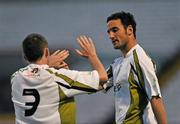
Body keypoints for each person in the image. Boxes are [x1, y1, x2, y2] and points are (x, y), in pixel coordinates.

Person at [11, 33, 108, 124]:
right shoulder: (57, 78)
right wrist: (92, 55)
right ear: (46, 52)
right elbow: (103, 77)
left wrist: (47, 65)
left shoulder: (16, 78)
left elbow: (36, 76)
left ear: (24, 56)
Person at [105, 11, 167, 124]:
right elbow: (100, 83)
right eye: (108, 32)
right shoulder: (117, 63)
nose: (111, 36)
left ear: (129, 30)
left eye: (115, 30)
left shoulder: (140, 58)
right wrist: (92, 57)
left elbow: (156, 98)